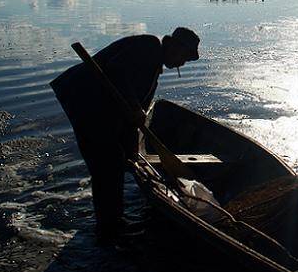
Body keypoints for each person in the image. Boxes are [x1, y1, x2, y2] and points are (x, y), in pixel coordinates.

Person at [50, 27, 200, 243]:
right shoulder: (148, 45)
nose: (182, 64)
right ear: (174, 46)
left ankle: (113, 223)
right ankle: (109, 230)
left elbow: (134, 121)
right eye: (184, 57)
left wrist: (131, 151)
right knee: (107, 164)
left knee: (115, 161)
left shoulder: (153, 72)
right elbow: (116, 70)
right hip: (83, 98)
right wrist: (134, 107)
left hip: (100, 108)